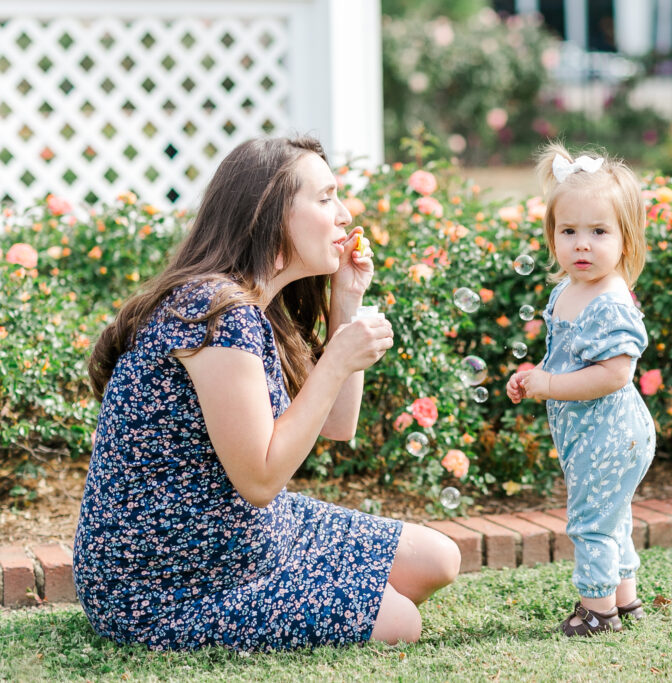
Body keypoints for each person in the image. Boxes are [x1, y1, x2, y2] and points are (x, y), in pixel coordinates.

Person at [74, 136, 461, 651]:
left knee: (439, 559)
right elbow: (259, 479)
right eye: (325, 198)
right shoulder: (215, 311)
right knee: (399, 623)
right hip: (171, 585)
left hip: (249, 537)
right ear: (271, 214)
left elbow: (338, 427)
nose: (345, 214)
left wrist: (346, 301)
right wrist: (338, 361)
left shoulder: (257, 306)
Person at [506, 143, 655, 636]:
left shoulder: (610, 300)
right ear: (553, 236)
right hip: (594, 436)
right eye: (568, 232)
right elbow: (563, 359)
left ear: (625, 238)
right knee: (614, 517)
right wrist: (534, 377)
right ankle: (625, 600)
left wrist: (549, 384)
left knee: (591, 521)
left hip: (611, 436)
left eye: (598, 232)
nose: (582, 245)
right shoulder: (566, 290)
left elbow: (615, 373)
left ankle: (597, 611)